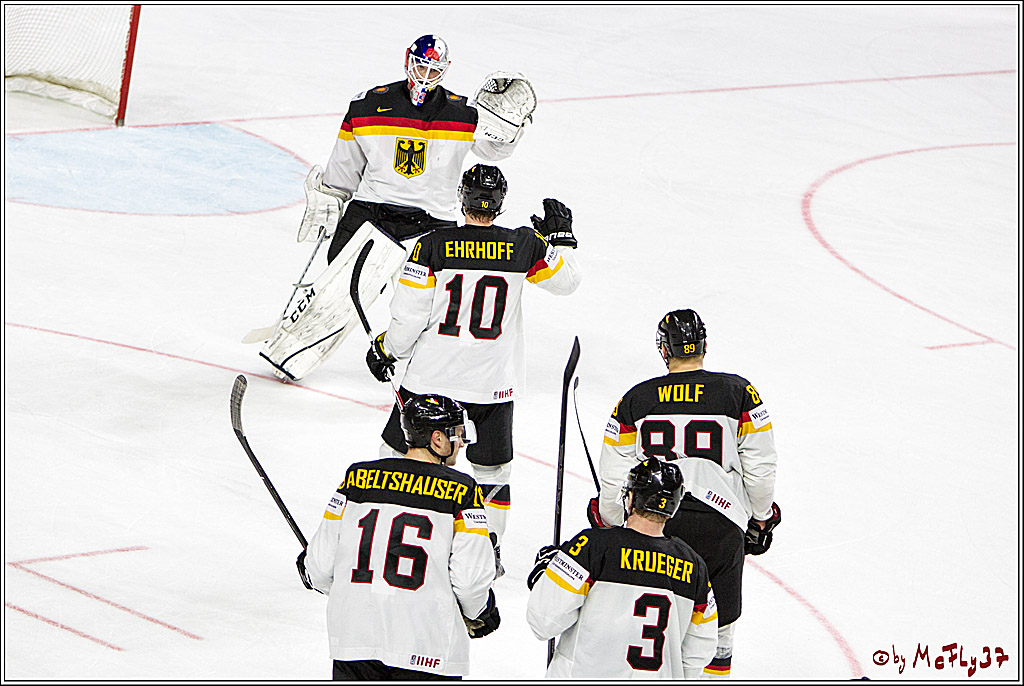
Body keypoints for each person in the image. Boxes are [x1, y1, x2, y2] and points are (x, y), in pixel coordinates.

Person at [258, 35, 535, 382]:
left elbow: (493, 150)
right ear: (407, 60)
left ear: (445, 71)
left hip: (432, 221)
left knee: (429, 303)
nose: (424, 74)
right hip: (372, 211)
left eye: (433, 69)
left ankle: (428, 369)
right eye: (420, 64)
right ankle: (292, 354)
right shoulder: (369, 105)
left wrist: (511, 131)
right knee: (339, 290)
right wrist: (331, 195)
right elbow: (346, 163)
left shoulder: (464, 113)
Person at [364, 163, 581, 576]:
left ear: (461, 198)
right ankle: (488, 552)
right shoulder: (524, 247)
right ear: (500, 205)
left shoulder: (431, 245)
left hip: (429, 379)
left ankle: (382, 531)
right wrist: (560, 242)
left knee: (395, 454)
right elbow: (568, 281)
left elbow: (408, 317)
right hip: (491, 386)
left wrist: (387, 349)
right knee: (492, 473)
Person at [588, 309, 781, 678]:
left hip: (655, 519)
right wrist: (760, 516)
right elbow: (760, 466)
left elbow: (614, 472)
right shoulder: (739, 392)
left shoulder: (636, 399)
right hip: (720, 524)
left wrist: (612, 518)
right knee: (717, 631)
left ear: (664, 350)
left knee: (654, 620)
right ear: (704, 345)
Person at [297, 394, 501, 680]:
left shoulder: (355, 479)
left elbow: (318, 568)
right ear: (438, 439)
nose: (463, 442)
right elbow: (469, 582)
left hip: (354, 643)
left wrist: (308, 567)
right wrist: (482, 610)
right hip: (427, 648)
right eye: (458, 434)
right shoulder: (463, 490)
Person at [526, 457, 718, 678]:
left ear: (631, 498)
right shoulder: (695, 567)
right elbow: (698, 653)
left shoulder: (592, 547)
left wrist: (546, 574)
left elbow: (543, 621)